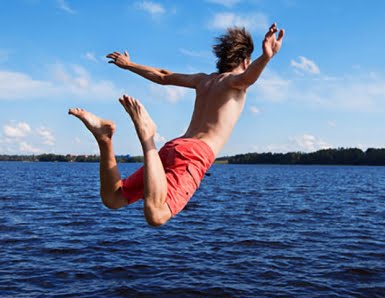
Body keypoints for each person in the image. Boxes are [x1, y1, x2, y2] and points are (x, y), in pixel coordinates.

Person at [69, 23, 285, 227]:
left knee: (114, 197)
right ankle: (147, 136)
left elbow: (164, 76)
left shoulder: (203, 80)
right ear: (246, 61)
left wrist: (130, 65)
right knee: (156, 214)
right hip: (196, 154)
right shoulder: (234, 83)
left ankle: (104, 138)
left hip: (174, 147)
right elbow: (249, 78)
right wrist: (266, 58)